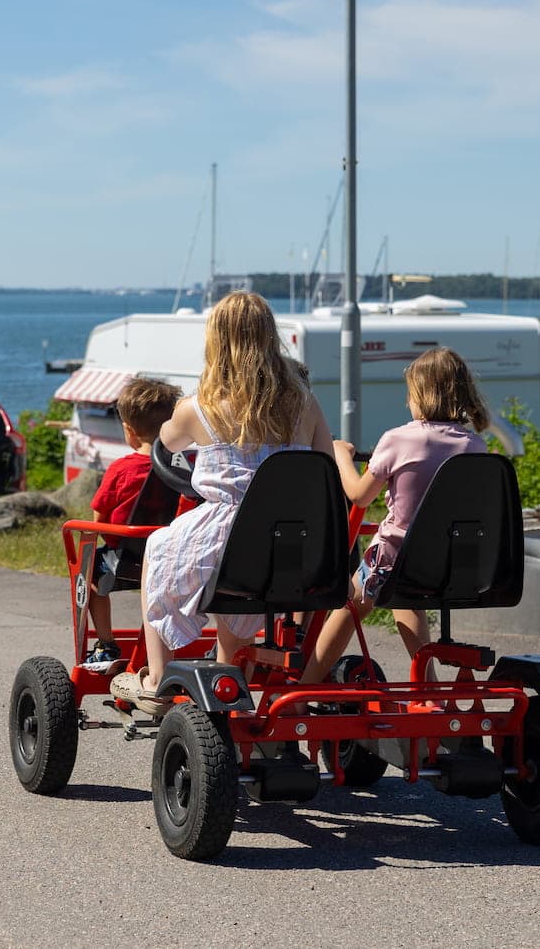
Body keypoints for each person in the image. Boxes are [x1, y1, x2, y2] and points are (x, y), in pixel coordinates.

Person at [109, 292, 333, 716]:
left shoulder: (199, 408)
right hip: (292, 540)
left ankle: (156, 678)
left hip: (228, 535)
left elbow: (166, 442)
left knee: (159, 547)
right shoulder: (305, 402)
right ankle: (231, 674)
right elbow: (324, 463)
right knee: (239, 584)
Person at [298, 346, 491, 686]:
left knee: (350, 605)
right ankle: (428, 687)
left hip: (393, 557)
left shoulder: (399, 440)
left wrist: (341, 456)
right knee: (407, 601)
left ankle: (305, 689)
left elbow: (359, 494)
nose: (407, 402)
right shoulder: (474, 446)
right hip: (448, 561)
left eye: (410, 394)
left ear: (423, 395)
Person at [82, 376, 182, 670]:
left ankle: (106, 644)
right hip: (171, 558)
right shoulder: (180, 467)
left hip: (125, 560)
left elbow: (98, 520)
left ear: (129, 431)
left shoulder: (121, 469)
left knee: (88, 572)